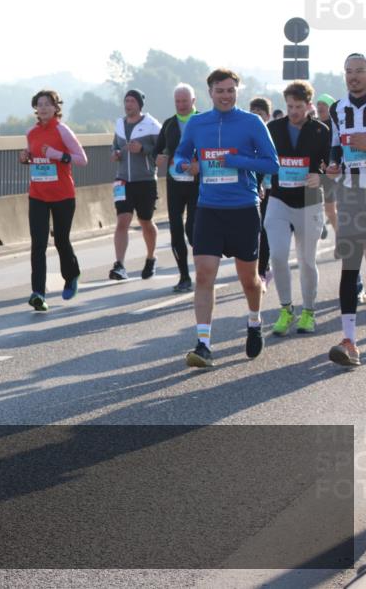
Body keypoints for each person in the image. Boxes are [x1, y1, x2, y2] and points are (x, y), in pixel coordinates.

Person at [173, 69, 279, 368]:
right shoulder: (197, 123)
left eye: (231, 90)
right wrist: (184, 165)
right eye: (220, 90)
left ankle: (255, 321)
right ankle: (203, 344)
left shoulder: (251, 122)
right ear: (210, 92)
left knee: (249, 280)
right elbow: (180, 155)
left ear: (237, 92)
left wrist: (235, 161)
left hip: (244, 209)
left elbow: (271, 164)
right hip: (209, 208)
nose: (226, 95)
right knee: (205, 275)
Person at [264, 81, 330, 336]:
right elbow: (263, 157)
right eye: (290, 106)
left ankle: (309, 312)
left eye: (298, 107)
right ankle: (285, 309)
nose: (293, 111)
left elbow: (332, 164)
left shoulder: (321, 131)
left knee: (306, 261)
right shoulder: (273, 128)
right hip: (279, 199)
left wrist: (321, 177)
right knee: (278, 256)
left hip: (309, 200)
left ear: (309, 105)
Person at [17, 89, 88, 310]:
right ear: (35, 109)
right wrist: (25, 158)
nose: (44, 107)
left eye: (48, 104)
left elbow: (81, 159)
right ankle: (38, 292)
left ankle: (72, 275)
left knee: (60, 240)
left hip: (63, 195)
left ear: (56, 108)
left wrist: (58, 155)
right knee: (38, 244)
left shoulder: (63, 131)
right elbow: (34, 156)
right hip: (38, 195)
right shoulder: (31, 132)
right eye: (40, 104)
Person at [325, 52, 366, 367]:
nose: (353, 76)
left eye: (359, 71)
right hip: (352, 191)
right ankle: (349, 341)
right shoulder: (337, 109)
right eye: (348, 72)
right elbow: (335, 144)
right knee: (350, 264)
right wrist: (331, 163)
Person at [109, 89, 162, 280]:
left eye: (132, 101)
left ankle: (151, 258)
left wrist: (143, 149)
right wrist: (115, 153)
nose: (128, 104)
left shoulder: (152, 125)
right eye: (126, 101)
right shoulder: (119, 124)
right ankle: (120, 265)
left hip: (145, 180)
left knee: (145, 221)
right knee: (122, 220)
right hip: (122, 180)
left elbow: (161, 152)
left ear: (139, 104)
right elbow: (114, 146)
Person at [154, 83, 199, 292]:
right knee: (175, 229)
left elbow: (216, 150)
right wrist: (159, 158)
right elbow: (157, 151)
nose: (181, 105)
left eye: (184, 101)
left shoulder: (203, 121)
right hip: (175, 184)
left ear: (193, 101)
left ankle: (204, 268)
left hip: (198, 184)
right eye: (177, 102)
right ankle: (184, 276)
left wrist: (200, 165)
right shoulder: (169, 124)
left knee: (193, 228)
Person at [249, 97, 274, 292]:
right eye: (253, 114)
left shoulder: (273, 133)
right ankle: (261, 268)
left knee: (265, 231)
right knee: (256, 231)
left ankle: (263, 271)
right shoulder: (247, 137)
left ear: (267, 116)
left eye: (260, 115)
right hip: (255, 190)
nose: (257, 119)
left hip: (274, 190)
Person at [317, 93, 339, 240]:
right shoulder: (315, 126)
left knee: (342, 208)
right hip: (322, 173)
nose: (320, 107)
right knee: (329, 210)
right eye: (318, 104)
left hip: (338, 172)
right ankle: (340, 236)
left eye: (324, 104)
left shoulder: (337, 125)